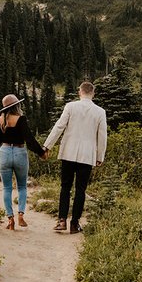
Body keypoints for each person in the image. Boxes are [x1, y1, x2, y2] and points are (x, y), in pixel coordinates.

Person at [43, 81, 107, 234]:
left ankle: (61, 220)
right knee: (80, 190)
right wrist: (100, 156)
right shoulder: (100, 112)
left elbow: (59, 126)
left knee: (65, 187)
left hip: (68, 153)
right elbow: (102, 136)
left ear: (80, 92)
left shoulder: (70, 107)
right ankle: (74, 224)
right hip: (87, 155)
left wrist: (47, 146)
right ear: (93, 93)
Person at [0, 94, 47, 231]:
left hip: (3, 153)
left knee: (6, 188)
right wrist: (41, 152)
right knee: (22, 186)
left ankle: (10, 219)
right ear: (16, 106)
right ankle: (21, 214)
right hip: (19, 152)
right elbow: (29, 140)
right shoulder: (21, 119)